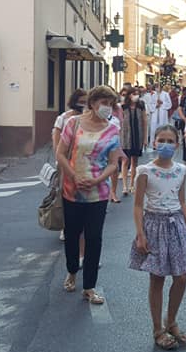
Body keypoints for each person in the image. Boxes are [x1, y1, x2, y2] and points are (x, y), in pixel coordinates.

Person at [129, 125, 186, 350]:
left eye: (171, 141)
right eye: (162, 140)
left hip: (177, 224)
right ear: (154, 142)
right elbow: (138, 205)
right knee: (157, 278)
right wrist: (140, 235)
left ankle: (171, 321)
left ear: (177, 145)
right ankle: (157, 329)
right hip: (154, 225)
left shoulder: (181, 170)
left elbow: (183, 201)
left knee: (181, 276)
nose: (166, 145)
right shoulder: (145, 171)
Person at [57, 86, 122, 305]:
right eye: (103, 102)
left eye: (110, 103)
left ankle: (89, 286)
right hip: (72, 190)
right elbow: (60, 154)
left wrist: (97, 180)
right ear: (92, 103)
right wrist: (74, 176)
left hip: (98, 192)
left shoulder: (112, 129)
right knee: (73, 235)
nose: (107, 107)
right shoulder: (73, 124)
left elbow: (114, 163)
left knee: (94, 238)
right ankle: (72, 271)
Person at [53, 89, 88, 244]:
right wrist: (61, 161)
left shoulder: (89, 119)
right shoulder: (63, 118)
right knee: (64, 195)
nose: (83, 104)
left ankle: (81, 227)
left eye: (85, 101)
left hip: (83, 163)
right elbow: (56, 143)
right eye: (80, 100)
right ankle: (64, 227)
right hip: (65, 163)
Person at [120, 88, 149, 195]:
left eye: (137, 94)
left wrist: (145, 138)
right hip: (125, 137)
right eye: (134, 94)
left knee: (134, 162)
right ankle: (124, 186)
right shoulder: (123, 107)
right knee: (125, 161)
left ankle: (132, 184)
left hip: (137, 136)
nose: (136, 96)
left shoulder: (141, 106)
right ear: (129, 95)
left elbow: (145, 121)